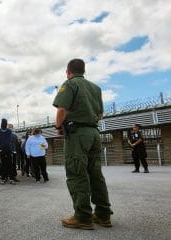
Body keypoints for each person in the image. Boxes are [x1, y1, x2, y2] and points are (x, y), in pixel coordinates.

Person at [53, 58, 113, 230]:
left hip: (78, 134)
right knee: (95, 174)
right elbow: (100, 114)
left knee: (77, 173)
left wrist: (59, 127)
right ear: (84, 70)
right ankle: (103, 215)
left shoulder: (70, 84)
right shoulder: (95, 88)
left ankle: (83, 217)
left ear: (68, 71)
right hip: (94, 133)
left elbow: (62, 109)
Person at [0, 119, 15, 185]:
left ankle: (11, 178)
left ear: (6, 124)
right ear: (1, 124)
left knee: (10, 164)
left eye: (5, 123)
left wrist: (12, 149)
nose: (4, 124)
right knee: (3, 165)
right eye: (3, 123)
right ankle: (4, 178)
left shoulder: (9, 131)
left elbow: (10, 141)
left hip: (8, 150)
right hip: (1, 150)